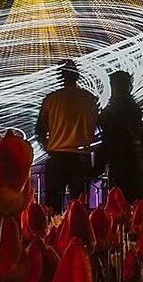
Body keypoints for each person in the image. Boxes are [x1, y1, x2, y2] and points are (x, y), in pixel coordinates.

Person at [36, 60, 99, 210]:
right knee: (79, 206)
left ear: (61, 77)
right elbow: (97, 127)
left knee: (52, 206)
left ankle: (53, 231)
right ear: (77, 76)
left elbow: (39, 130)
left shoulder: (51, 99)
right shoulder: (89, 99)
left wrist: (48, 146)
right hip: (81, 157)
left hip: (57, 156)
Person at [95, 71, 143, 201]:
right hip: (129, 160)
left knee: (122, 198)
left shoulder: (120, 107)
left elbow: (115, 132)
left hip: (123, 159)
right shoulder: (130, 107)